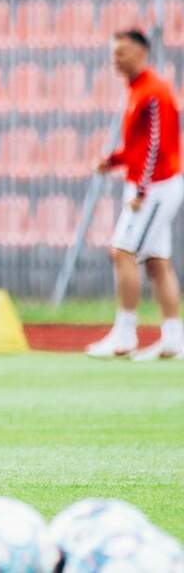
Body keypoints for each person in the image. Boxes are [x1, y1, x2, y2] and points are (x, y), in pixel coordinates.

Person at [88, 30, 184, 361]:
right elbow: (139, 146)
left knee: (122, 251)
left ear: (141, 53)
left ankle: (125, 334)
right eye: (114, 53)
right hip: (152, 184)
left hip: (155, 186)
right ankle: (174, 338)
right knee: (157, 263)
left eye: (122, 53)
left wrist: (141, 190)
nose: (116, 59)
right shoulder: (137, 89)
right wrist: (114, 160)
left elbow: (157, 145)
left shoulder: (153, 91)